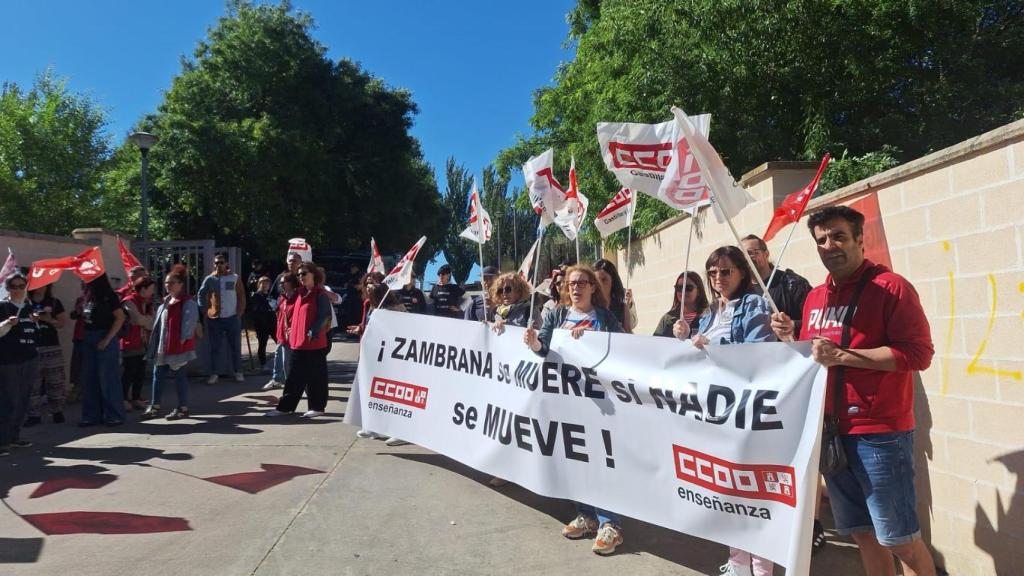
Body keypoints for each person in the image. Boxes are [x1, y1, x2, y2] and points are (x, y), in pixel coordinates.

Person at [771, 206, 937, 576]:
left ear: (860, 239)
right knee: (863, 534)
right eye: (822, 240)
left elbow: (918, 354)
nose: (830, 245)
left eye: (839, 236)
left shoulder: (891, 288)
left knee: (899, 539)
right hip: (831, 433)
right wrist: (792, 337)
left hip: (879, 435)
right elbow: (818, 354)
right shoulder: (815, 298)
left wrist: (843, 356)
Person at [671, 246, 776, 576]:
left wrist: (712, 348)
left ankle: (761, 568)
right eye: (713, 272)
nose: (718, 278)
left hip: (745, 411)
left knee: (753, 495)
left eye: (726, 271)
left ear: (743, 273)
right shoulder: (707, 313)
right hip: (715, 414)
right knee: (728, 491)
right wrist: (684, 339)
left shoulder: (754, 304)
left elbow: (759, 352)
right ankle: (737, 562)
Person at [523, 265, 625, 555]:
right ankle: (587, 515)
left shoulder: (605, 318)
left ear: (593, 287)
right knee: (576, 458)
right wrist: (534, 343)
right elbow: (542, 346)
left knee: (601, 462)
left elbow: (623, 349)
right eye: (571, 284)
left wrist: (590, 341)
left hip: (599, 403)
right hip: (567, 402)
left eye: (582, 283)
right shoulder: (556, 315)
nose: (576, 288)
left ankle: (611, 523)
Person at [265, 262, 331, 419]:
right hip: (298, 343)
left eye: (304, 273)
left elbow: (325, 315)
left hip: (314, 344)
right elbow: (285, 303)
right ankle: (285, 407)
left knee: (317, 378)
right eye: (299, 274)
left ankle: (317, 407)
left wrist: (313, 331)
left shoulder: (320, 294)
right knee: (294, 377)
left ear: (314, 274)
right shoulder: (299, 293)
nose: (301, 276)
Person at [142, 265, 200, 420]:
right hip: (163, 347)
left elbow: (189, 323)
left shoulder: (187, 302)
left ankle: (182, 408)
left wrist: (183, 340)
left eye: (172, 282)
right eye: (167, 283)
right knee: (157, 375)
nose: (168, 285)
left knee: (179, 377)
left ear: (181, 284)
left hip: (177, 348)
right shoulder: (165, 303)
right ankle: (154, 406)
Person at [78, 274, 127, 427]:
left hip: (105, 336)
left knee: (108, 378)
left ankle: (114, 414)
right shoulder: (88, 297)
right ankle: (92, 415)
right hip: (89, 337)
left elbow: (120, 318)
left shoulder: (108, 296)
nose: (82, 281)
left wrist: (107, 339)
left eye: (84, 278)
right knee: (89, 378)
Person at [741, 234, 812, 338]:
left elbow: (815, 320)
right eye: (742, 255)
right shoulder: (740, 291)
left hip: (790, 350)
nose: (746, 258)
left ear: (766, 254)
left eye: (751, 253)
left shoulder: (793, 284)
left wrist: (791, 325)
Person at [0, 273, 38, 456]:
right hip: (9, 360)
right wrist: (7, 323)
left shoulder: (28, 306)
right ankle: (2, 441)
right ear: (7, 289)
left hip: (29, 358)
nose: (18, 290)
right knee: (9, 401)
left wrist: (36, 322)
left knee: (23, 401)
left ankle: (14, 436)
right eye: (14, 286)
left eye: (21, 286)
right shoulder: (3, 307)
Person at [23, 284, 68, 426]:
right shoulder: (25, 303)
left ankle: (57, 411)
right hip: (31, 346)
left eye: (44, 285)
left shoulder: (54, 302)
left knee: (55, 381)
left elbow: (62, 323)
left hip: (51, 346)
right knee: (32, 383)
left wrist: (48, 319)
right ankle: (33, 415)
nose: (40, 287)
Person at [198, 252, 246, 384]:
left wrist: (240, 312)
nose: (219, 265)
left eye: (221, 262)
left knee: (235, 347)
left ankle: (238, 372)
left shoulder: (235, 278)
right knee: (215, 348)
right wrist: (204, 309)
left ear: (226, 264)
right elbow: (201, 294)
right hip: (215, 318)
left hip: (232, 318)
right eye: (216, 263)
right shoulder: (210, 279)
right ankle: (214, 373)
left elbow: (241, 295)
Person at [120, 277, 156, 412]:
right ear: (143, 289)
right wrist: (147, 321)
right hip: (130, 341)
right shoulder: (129, 301)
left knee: (140, 372)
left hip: (144, 342)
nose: (152, 292)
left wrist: (146, 321)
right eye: (150, 289)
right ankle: (123, 399)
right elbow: (136, 319)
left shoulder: (147, 303)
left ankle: (136, 398)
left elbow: (153, 322)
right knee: (129, 372)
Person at [264, 272, 298, 391]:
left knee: (290, 364)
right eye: (281, 282)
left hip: (293, 337)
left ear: (292, 283)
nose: (281, 284)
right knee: (285, 364)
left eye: (284, 282)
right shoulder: (282, 298)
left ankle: (294, 390)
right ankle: (290, 388)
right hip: (282, 336)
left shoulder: (298, 297)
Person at [653, 271, 708, 338]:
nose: (683, 291)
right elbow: (656, 342)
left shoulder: (708, 316)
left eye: (688, 288)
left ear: (699, 291)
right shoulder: (667, 319)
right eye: (679, 288)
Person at [592, 259, 636, 333]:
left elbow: (629, 331)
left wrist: (627, 307)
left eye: (604, 280)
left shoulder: (621, 305)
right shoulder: (588, 306)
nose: (600, 285)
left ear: (613, 281)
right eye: (596, 281)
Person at [248, 276, 276, 372]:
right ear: (258, 284)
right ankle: (263, 364)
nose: (264, 285)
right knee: (263, 343)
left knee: (279, 342)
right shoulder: (255, 296)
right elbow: (255, 311)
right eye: (262, 283)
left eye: (267, 283)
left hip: (272, 322)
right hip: (261, 323)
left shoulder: (271, 296)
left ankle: (280, 362)